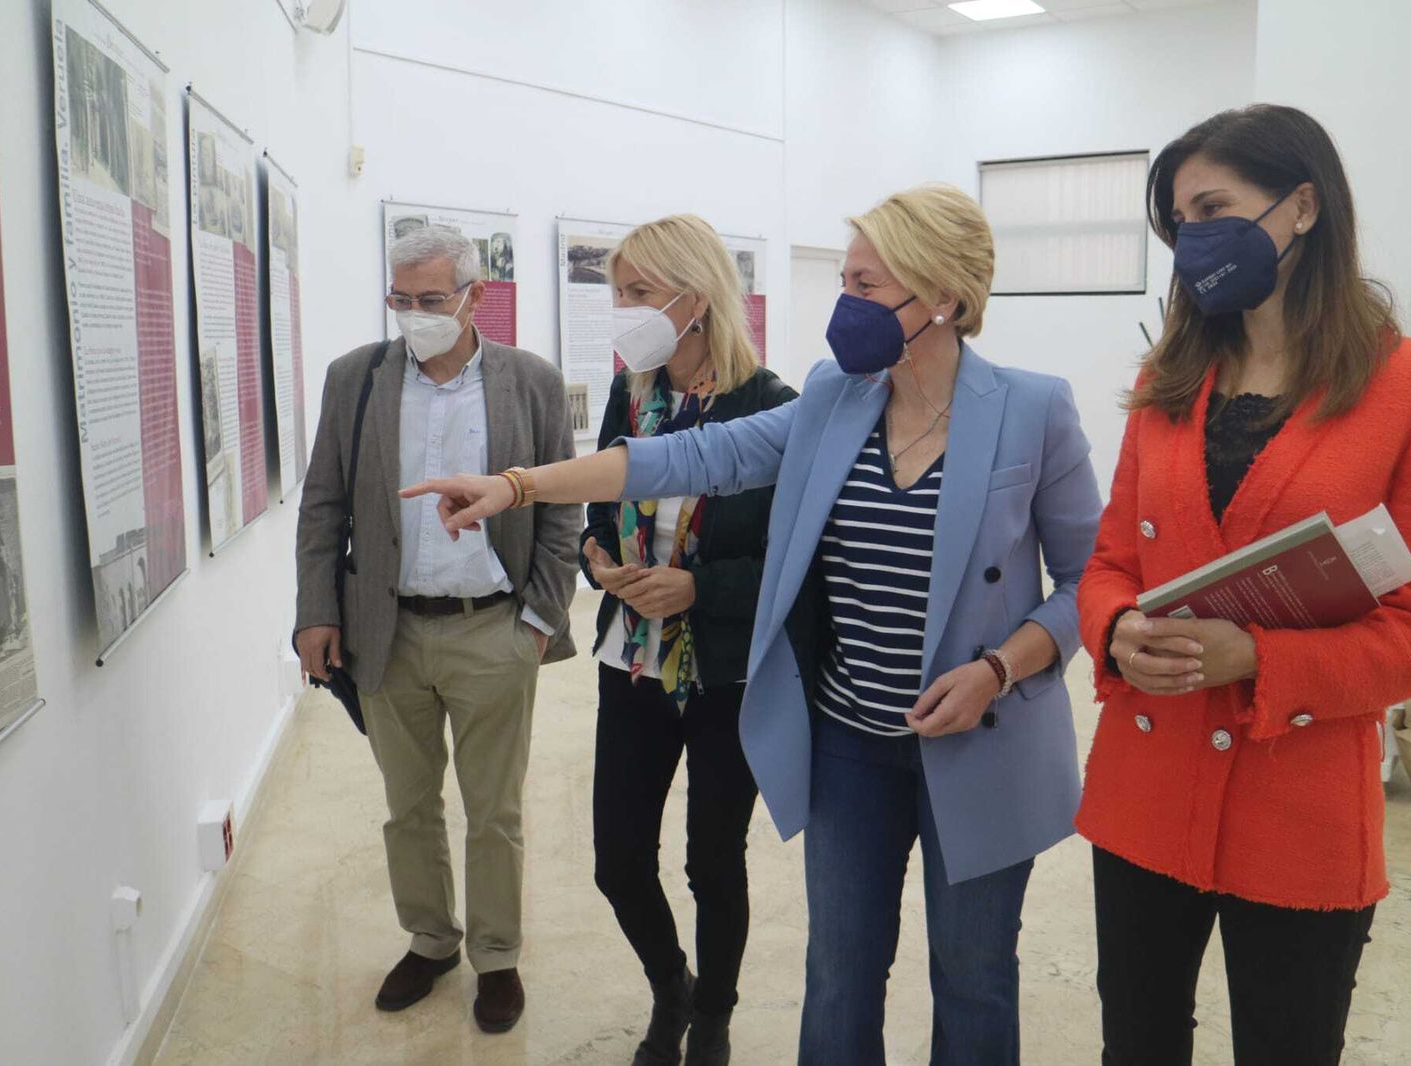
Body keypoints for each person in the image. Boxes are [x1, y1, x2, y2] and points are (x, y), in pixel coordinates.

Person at [404, 184, 1104, 1065]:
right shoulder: (835, 396)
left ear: (946, 300)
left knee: (972, 979)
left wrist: (1001, 668)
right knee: (840, 977)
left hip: (982, 734)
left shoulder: (1032, 410)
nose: (845, 306)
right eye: (844, 281)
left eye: (867, 286)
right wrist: (518, 485)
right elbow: (694, 453)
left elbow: (1090, 579)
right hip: (851, 738)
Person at [1075, 104, 1411, 1066]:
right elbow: (1109, 561)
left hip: (1300, 809)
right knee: (1136, 1044)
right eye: (1181, 222)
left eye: (1215, 206)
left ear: (1303, 206)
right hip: (1144, 789)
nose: (1195, 238)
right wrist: (1118, 626)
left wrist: (1260, 655)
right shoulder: (1167, 381)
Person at [293, 225, 580, 1034]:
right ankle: (430, 939)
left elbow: (561, 511)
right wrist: (316, 611)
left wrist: (537, 621)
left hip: (494, 628)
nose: (412, 316)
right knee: (407, 805)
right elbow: (324, 504)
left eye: (429, 300)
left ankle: (496, 955)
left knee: (495, 811)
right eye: (400, 299)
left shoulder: (532, 383)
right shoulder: (356, 381)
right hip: (389, 631)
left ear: (473, 295)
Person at [581, 215, 795, 1066]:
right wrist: (600, 557)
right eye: (618, 292)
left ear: (695, 300)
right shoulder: (632, 391)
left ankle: (712, 1017)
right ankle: (671, 986)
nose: (623, 310)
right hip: (629, 658)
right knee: (618, 859)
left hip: (723, 672)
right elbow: (604, 496)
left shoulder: (771, 409)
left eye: (637, 292)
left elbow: (792, 564)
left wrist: (698, 586)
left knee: (714, 862)